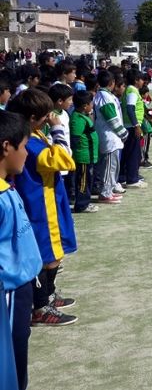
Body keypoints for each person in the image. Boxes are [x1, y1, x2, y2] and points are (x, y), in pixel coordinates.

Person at [6, 89, 78, 327]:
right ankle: (40, 306)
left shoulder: (32, 135)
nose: (50, 118)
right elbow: (65, 160)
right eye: (46, 115)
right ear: (33, 117)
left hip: (46, 197)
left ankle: (47, 295)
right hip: (39, 203)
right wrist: (58, 129)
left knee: (51, 253)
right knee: (47, 254)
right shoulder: (33, 143)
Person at [0, 110, 43, 390]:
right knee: (10, 368)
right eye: (25, 146)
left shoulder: (6, 187)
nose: (27, 154)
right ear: (6, 146)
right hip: (9, 292)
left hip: (21, 287)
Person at [92, 70, 127, 204]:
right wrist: (123, 132)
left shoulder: (105, 95)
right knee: (109, 167)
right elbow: (111, 118)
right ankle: (105, 193)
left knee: (112, 166)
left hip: (112, 138)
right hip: (109, 137)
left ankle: (109, 190)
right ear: (112, 83)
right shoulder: (104, 97)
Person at [69, 92, 99, 213]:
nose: (92, 105)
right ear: (85, 105)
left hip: (88, 156)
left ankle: (85, 202)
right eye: (91, 103)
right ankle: (81, 205)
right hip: (83, 157)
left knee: (87, 180)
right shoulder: (77, 119)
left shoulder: (83, 116)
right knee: (83, 182)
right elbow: (75, 138)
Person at [120, 70, 147, 187]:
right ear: (136, 80)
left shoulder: (131, 90)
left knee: (128, 152)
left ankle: (124, 177)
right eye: (141, 79)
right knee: (133, 153)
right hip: (131, 126)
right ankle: (132, 179)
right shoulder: (132, 91)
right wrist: (136, 125)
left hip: (129, 125)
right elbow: (130, 109)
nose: (143, 82)